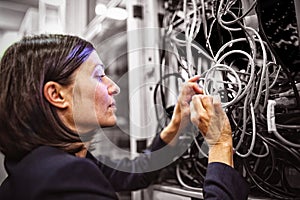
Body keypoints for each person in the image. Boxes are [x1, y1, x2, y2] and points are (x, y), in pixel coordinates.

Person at [0, 34, 248, 199]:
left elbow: (135, 172)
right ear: (57, 94)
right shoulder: (63, 179)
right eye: (98, 75)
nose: (114, 87)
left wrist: (177, 122)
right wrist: (220, 144)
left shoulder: (45, 164)